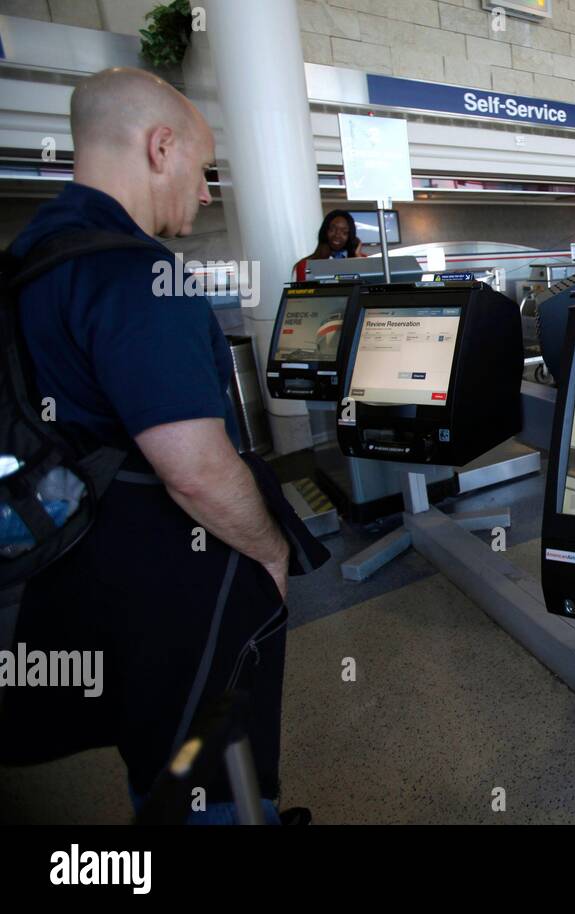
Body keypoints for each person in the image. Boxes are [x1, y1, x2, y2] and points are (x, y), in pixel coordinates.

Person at [0, 68, 325, 824]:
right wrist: (270, 552)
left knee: (159, 751)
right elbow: (197, 471)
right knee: (205, 753)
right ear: (160, 146)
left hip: (65, 564)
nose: (207, 193)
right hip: (167, 583)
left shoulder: (30, 262)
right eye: (204, 170)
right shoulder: (138, 275)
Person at [292, 209, 364, 282]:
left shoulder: (363, 260)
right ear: (325, 231)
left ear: (350, 236)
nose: (337, 235)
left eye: (344, 232)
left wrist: (358, 260)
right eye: (332, 229)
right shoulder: (304, 265)